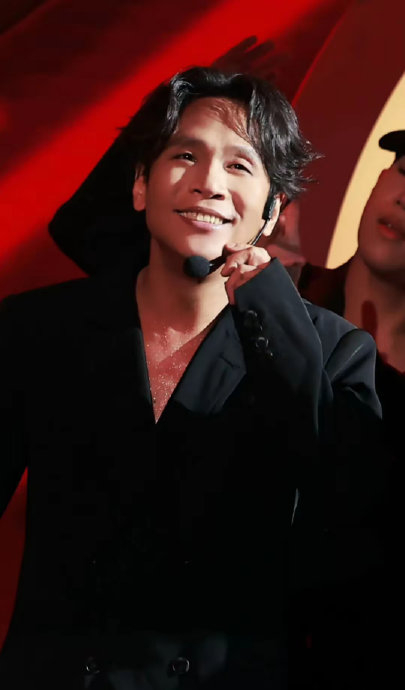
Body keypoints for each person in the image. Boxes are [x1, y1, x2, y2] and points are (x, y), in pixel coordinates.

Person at [1, 66, 386, 690]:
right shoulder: (39, 329)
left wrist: (272, 312)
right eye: (185, 155)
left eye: (240, 165)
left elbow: (345, 528)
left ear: (272, 210)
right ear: (140, 185)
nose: (209, 182)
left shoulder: (334, 352)